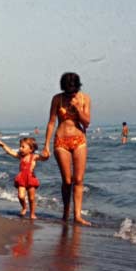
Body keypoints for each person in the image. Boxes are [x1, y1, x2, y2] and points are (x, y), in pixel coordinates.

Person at [42, 72, 92, 226]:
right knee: (67, 180)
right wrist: (46, 145)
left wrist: (77, 108)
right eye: (68, 92)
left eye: (74, 91)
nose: (71, 95)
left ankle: (77, 215)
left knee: (79, 179)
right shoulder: (57, 99)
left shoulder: (85, 98)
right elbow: (51, 122)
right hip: (61, 141)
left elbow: (87, 123)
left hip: (79, 140)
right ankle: (65, 212)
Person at [0, 137, 48, 219]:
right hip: (22, 179)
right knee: (21, 196)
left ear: (31, 149)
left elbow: (44, 158)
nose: (20, 148)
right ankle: (24, 207)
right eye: (20, 146)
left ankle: (32, 213)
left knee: (31, 198)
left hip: (31, 178)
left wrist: (47, 154)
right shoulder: (21, 156)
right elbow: (10, 152)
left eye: (23, 147)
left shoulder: (34, 157)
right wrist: (3, 145)